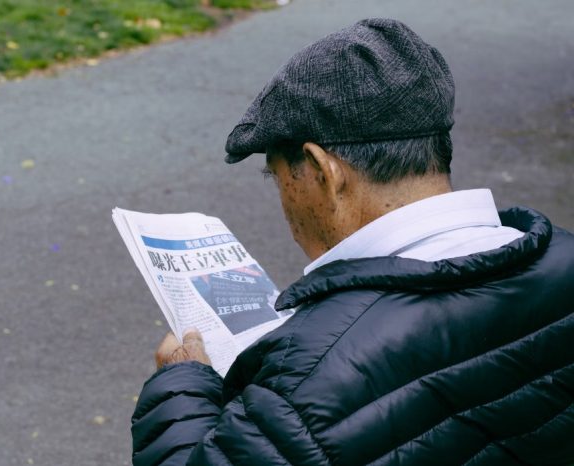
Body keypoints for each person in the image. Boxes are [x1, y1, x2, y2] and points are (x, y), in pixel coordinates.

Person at [131, 18, 574, 465]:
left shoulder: (305, 379)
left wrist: (183, 386)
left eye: (277, 176)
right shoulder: (565, 259)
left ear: (323, 171)